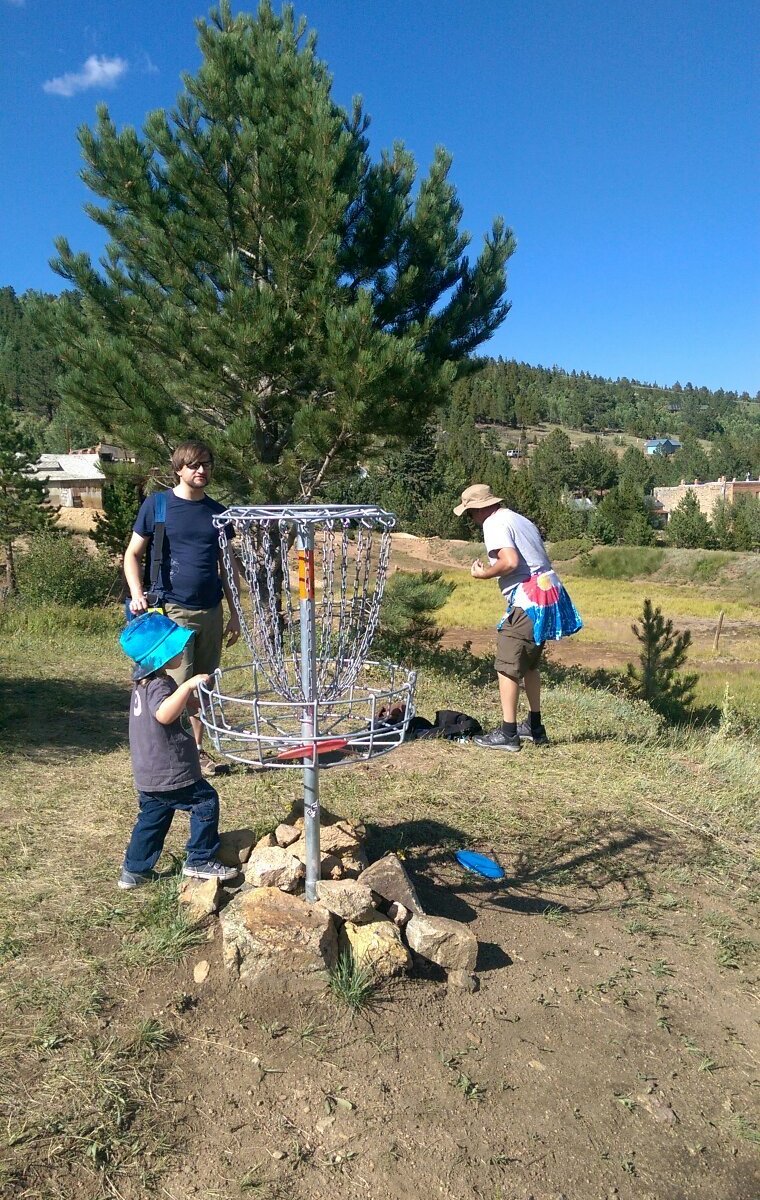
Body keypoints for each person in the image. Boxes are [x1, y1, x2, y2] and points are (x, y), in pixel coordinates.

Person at [123, 440, 240, 774]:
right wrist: (137, 593)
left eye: (206, 464)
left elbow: (228, 566)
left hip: (211, 610)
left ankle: (197, 751)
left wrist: (234, 614)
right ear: (178, 469)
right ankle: (169, 754)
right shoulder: (157, 506)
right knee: (173, 688)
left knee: (203, 686)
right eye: (193, 465)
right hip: (171, 611)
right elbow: (132, 554)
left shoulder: (218, 513)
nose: (201, 470)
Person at [453, 483, 582, 752]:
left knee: (507, 663)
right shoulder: (518, 518)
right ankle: (534, 727)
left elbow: (510, 561)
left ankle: (508, 733)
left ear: (478, 509)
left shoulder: (493, 523)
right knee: (530, 664)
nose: (471, 519)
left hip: (529, 598)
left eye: (470, 513)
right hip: (548, 593)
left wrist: (483, 573)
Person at [117, 611, 238, 890]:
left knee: (152, 818)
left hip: (149, 773)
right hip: (170, 770)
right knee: (205, 801)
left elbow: (171, 706)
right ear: (160, 655)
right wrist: (186, 686)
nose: (183, 650)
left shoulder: (143, 684)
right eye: (176, 647)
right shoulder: (160, 684)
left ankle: (134, 870)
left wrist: (193, 702)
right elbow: (162, 714)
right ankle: (199, 859)